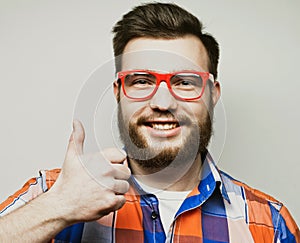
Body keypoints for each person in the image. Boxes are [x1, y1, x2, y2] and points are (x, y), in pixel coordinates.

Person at [0, 2, 299, 242]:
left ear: (212, 95)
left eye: (184, 82)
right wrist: (58, 208)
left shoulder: (270, 225)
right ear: (119, 93)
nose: (163, 103)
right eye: (142, 81)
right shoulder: (50, 194)